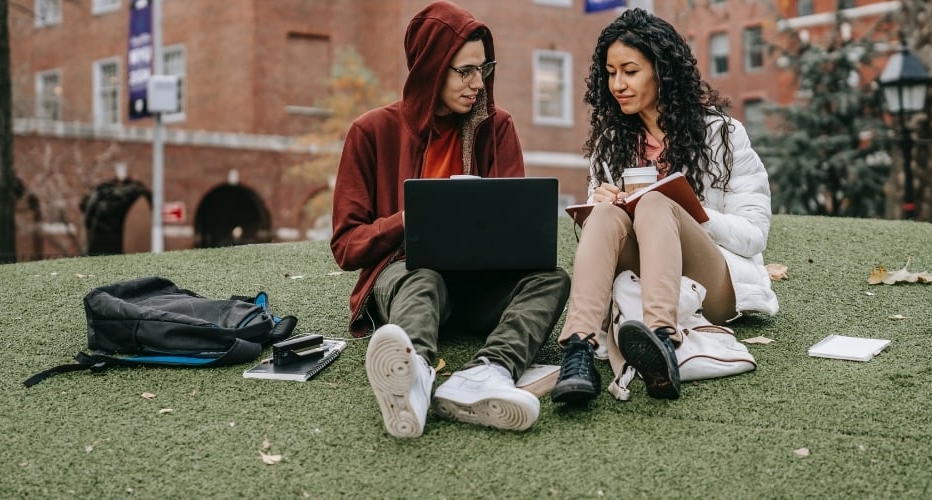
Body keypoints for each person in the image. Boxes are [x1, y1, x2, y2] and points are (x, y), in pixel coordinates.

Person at [330, 1, 570, 438]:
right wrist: (412, 218)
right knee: (424, 277)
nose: (479, 83)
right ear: (430, 69)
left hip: (479, 288)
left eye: (484, 68)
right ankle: (415, 376)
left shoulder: (498, 127)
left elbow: (516, 228)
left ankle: (488, 372)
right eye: (465, 71)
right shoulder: (371, 132)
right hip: (407, 278)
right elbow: (346, 247)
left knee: (552, 278)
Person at [549, 8, 778, 404]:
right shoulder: (611, 144)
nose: (617, 84)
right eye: (610, 72)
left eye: (630, 71)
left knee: (656, 202)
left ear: (662, 71)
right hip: (638, 275)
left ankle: (661, 338)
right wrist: (601, 205)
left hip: (711, 283)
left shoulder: (722, 135)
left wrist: (687, 211)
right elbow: (604, 245)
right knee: (605, 212)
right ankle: (579, 350)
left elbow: (754, 236)